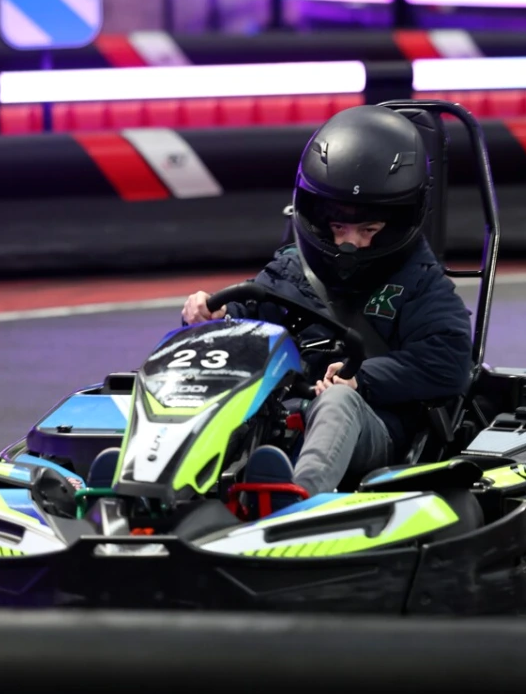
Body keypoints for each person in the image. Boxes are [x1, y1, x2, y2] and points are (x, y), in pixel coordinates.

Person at [180, 104, 473, 503]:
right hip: (284, 414)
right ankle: (159, 488)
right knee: (203, 371)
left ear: (396, 222)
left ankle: (297, 502)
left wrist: (362, 378)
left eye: (367, 229)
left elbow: (450, 362)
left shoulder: (420, 282)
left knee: (337, 401)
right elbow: (252, 317)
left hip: (373, 427)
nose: (349, 243)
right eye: (339, 227)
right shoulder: (293, 268)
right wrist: (215, 316)